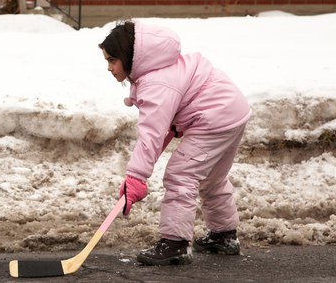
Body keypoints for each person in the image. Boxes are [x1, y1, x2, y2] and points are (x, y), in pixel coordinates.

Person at [99, 20, 251, 266]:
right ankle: (224, 236)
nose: (109, 68)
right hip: (232, 113)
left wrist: (136, 177)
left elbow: (151, 133)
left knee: (181, 175)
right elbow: (162, 130)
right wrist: (137, 175)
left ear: (129, 57)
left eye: (112, 60)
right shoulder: (160, 70)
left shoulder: (156, 83)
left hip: (213, 118)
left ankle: (176, 244)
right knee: (211, 177)